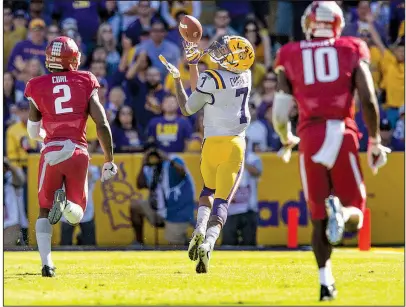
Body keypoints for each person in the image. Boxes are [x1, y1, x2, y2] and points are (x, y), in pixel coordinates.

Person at [272, 1, 391, 301]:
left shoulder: (290, 53)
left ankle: (325, 282)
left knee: (317, 217)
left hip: (309, 136)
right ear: (337, 23)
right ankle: (343, 212)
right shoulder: (351, 48)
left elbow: (279, 111)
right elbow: (367, 98)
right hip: (341, 132)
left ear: (309, 24)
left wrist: (285, 137)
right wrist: (375, 140)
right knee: (357, 212)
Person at [25, 36, 117, 277]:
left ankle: (47, 264)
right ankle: (64, 203)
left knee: (43, 211)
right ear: (74, 59)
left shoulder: (36, 85)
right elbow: (102, 123)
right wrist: (109, 159)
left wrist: (47, 135)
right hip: (77, 150)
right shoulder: (85, 80)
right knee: (77, 214)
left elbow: (33, 132)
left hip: (51, 152)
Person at [162, 36, 255, 273]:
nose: (220, 52)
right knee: (222, 201)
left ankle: (200, 228)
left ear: (235, 59)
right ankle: (209, 242)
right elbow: (206, 90)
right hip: (235, 145)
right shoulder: (247, 75)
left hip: (211, 145)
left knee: (207, 192)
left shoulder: (209, 78)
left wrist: (178, 78)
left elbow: (189, 106)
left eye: (227, 51)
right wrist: (195, 65)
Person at [130, 142, 195, 245]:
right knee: (135, 206)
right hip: (159, 208)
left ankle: (186, 241)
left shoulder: (174, 160)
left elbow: (183, 172)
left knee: (174, 245)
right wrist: (143, 163)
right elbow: (140, 185)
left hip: (177, 210)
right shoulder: (150, 167)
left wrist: (167, 159)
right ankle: (139, 242)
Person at [222, 140, 262, 246]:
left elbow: (257, 172)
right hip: (230, 208)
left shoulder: (253, 158)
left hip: (249, 208)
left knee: (249, 242)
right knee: (228, 243)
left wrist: (242, 161)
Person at [60, 164, 100, 246]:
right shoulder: (63, 168)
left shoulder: (93, 169)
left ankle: (81, 239)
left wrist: (83, 164)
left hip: (86, 211)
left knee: (90, 244)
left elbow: (91, 175)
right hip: (68, 210)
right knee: (65, 244)